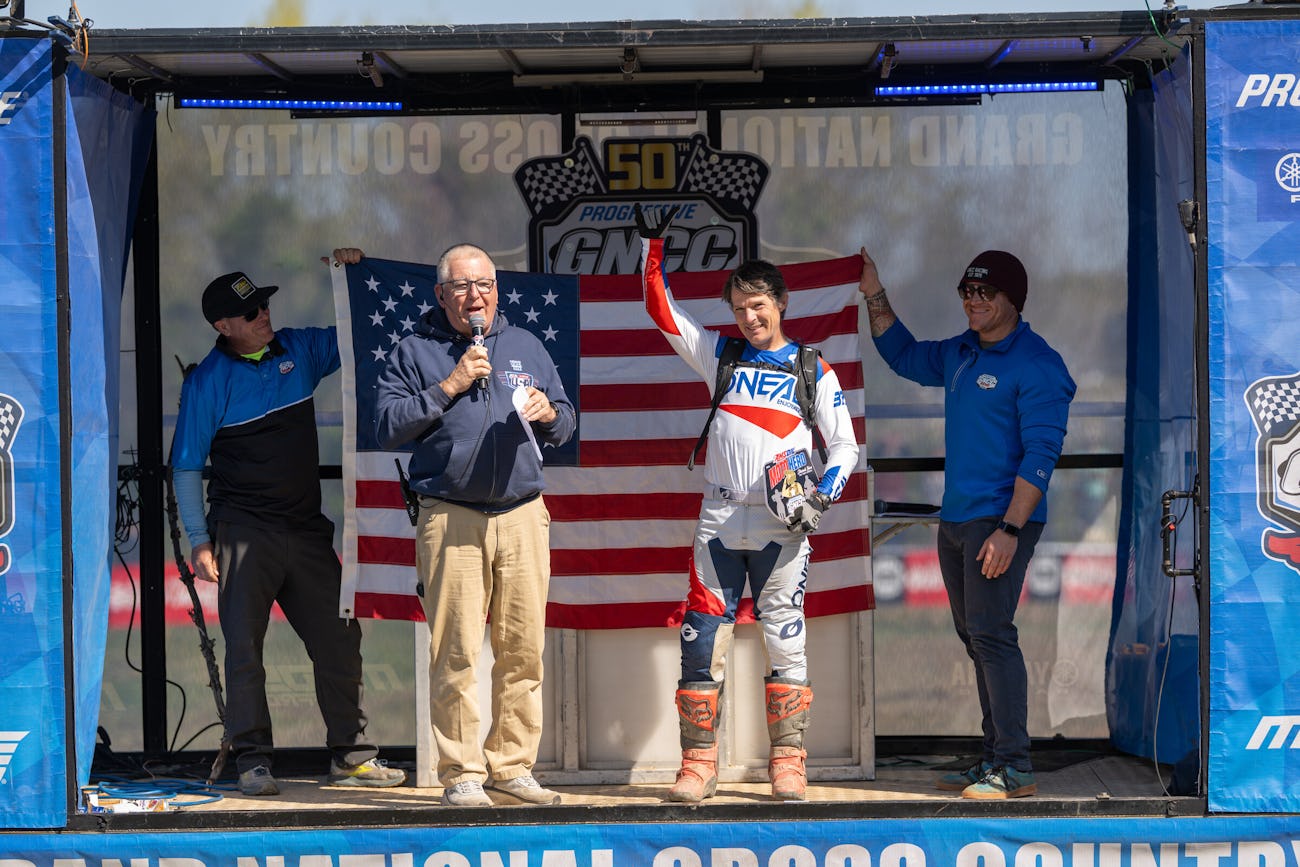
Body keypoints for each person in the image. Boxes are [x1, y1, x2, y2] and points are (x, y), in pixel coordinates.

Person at [635, 207, 860, 803]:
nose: (749, 317)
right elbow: (662, 311)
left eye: (758, 305)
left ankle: (788, 764)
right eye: (739, 308)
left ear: (781, 303)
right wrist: (652, 247)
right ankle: (698, 766)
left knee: (784, 637)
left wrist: (821, 497)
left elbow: (845, 447)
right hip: (719, 517)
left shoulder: (812, 367)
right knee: (701, 638)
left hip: (782, 524)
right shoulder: (722, 354)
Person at [344, 243, 575, 808]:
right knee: (457, 651)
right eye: (463, 287)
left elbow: (567, 422)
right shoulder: (414, 350)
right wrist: (449, 385)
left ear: (497, 290)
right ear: (441, 294)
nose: (476, 296)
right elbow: (387, 427)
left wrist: (549, 414)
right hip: (451, 515)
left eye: (485, 285)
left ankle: (512, 766)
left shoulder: (526, 345)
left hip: (522, 513)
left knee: (523, 650)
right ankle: (462, 773)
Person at [171, 270, 406, 797]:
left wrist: (357, 273)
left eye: (264, 305)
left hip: (305, 531)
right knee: (244, 649)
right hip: (242, 531)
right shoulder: (207, 381)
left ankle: (350, 755)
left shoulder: (299, 348)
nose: (264, 315)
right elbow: (185, 466)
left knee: (340, 637)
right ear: (223, 326)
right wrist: (199, 540)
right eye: (251, 312)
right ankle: (253, 761)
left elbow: (361, 330)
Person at [858, 247, 1076, 800]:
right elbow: (902, 355)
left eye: (984, 292)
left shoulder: (1039, 364)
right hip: (955, 518)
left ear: (1012, 300)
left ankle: (1015, 766)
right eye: (966, 291)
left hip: (1000, 522)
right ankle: (993, 756)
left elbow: (1041, 456)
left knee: (992, 635)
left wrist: (1010, 530)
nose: (972, 301)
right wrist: (874, 292)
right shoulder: (960, 351)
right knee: (977, 637)